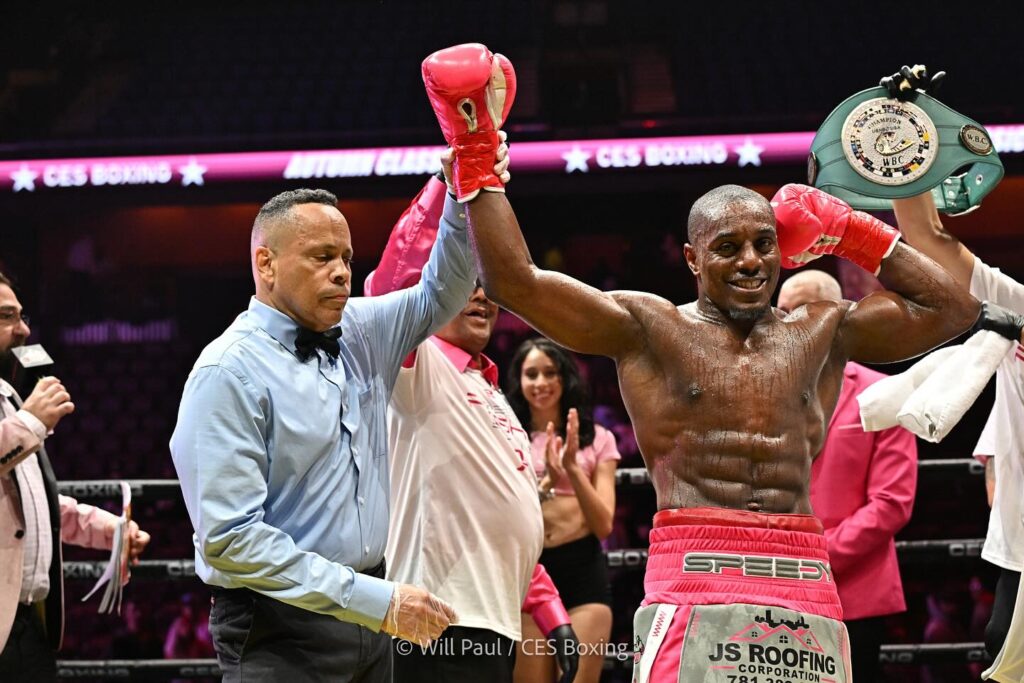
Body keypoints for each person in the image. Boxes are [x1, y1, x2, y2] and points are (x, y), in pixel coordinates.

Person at [420, 43, 982, 681]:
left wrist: (853, 229)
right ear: (691, 260)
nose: (751, 262)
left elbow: (953, 312)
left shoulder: (824, 329)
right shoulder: (648, 329)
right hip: (693, 570)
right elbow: (517, 282)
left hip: (803, 570)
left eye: (765, 244)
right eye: (729, 247)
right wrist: (474, 155)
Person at [169, 157, 506, 680]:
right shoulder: (226, 373)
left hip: (372, 618)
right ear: (266, 264)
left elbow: (445, 291)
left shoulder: (363, 329)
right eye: (322, 256)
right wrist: (372, 600)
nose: (342, 272)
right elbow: (229, 539)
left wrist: (460, 185)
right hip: (278, 626)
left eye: (347, 257)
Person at [364, 172, 579, 683]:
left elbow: (498, 518)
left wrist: (551, 615)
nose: (481, 295)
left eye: (488, 283)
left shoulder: (492, 390)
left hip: (493, 623)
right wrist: (450, 179)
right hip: (432, 619)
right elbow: (387, 287)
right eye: (466, 281)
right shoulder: (416, 366)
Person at [892, 189, 1024, 678]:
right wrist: (908, 157)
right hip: (1022, 549)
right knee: (1002, 649)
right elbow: (926, 238)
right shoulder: (1018, 307)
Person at [0, 272, 151, 682]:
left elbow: (32, 502)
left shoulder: (9, 396)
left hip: (30, 624)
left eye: (21, 315)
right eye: (6, 316)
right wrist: (30, 422)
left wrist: (108, 530)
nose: (24, 329)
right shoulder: (23, 412)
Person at [778, 269, 918, 680]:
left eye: (799, 310)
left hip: (852, 592)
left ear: (837, 315)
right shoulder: (762, 393)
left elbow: (892, 502)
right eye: (780, 311)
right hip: (775, 588)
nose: (786, 323)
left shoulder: (882, 394)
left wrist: (815, 556)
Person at [506, 337, 620, 683]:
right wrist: (545, 484)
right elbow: (506, 513)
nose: (540, 383)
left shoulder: (598, 438)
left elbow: (603, 525)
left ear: (564, 378)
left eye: (549, 373)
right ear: (520, 382)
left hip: (583, 572)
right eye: (531, 374)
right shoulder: (508, 437)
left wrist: (572, 467)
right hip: (530, 572)